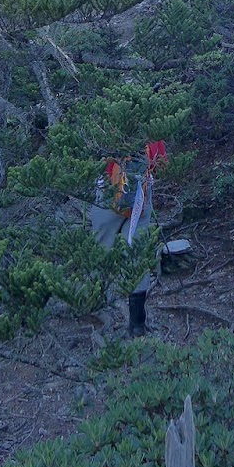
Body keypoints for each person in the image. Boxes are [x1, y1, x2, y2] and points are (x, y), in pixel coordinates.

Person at [89, 141, 168, 335]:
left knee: (101, 248)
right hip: (140, 198)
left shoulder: (105, 129)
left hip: (108, 196)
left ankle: (96, 304)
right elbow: (161, 164)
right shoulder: (151, 130)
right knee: (137, 255)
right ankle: (137, 324)